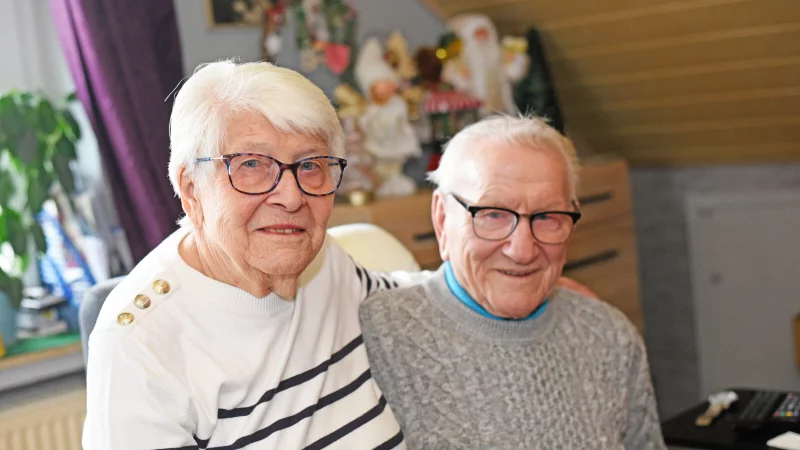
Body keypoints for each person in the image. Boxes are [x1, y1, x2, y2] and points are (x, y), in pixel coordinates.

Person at [82, 60, 416, 450]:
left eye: (309, 166)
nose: (292, 197)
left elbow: (405, 298)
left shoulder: (324, 262)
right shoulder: (141, 343)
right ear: (192, 189)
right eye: (252, 164)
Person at [359, 116, 667, 449]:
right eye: (493, 214)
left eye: (547, 216)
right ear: (443, 219)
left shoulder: (611, 338)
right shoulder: (376, 341)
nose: (522, 251)